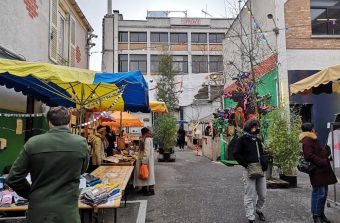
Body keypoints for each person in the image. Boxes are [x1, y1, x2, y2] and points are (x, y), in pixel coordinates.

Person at [5, 106, 89, 223]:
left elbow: (13, 178)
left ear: (49, 122)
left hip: (38, 211)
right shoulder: (81, 143)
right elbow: (82, 170)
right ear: (69, 122)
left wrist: (31, 193)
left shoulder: (33, 143)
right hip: (67, 212)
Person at [300, 123, 337, 223]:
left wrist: (325, 154)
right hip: (317, 170)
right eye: (313, 128)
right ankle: (316, 216)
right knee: (319, 193)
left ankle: (321, 213)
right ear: (310, 130)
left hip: (322, 170)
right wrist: (321, 161)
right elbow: (308, 155)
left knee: (323, 194)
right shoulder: (307, 140)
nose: (315, 129)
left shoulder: (312, 138)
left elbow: (317, 152)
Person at [233, 119, 266, 223]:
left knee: (263, 195)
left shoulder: (257, 140)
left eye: (257, 127)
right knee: (250, 194)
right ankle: (251, 217)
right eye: (255, 127)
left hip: (260, 170)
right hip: (249, 170)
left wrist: (265, 163)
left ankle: (259, 210)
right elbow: (236, 154)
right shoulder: (242, 140)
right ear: (249, 127)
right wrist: (246, 164)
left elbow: (261, 153)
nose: (257, 129)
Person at [134, 127, 155, 196]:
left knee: (145, 174)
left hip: (146, 160)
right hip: (147, 160)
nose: (149, 133)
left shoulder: (147, 139)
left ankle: (149, 190)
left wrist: (144, 161)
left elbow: (146, 151)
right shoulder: (146, 138)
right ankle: (144, 189)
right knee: (145, 175)